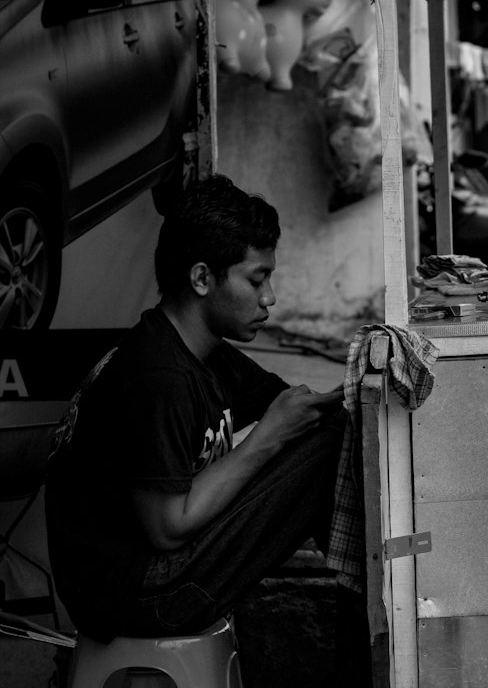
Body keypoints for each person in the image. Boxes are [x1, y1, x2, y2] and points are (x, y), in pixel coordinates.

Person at [45, 175, 346, 642]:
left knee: (335, 433)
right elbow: (167, 528)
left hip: (160, 575)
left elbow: (299, 414)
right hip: (136, 595)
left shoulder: (208, 355)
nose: (270, 298)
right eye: (257, 279)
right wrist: (268, 437)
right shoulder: (158, 375)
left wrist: (350, 396)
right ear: (202, 278)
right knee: (328, 450)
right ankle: (374, 619)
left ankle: (376, 612)